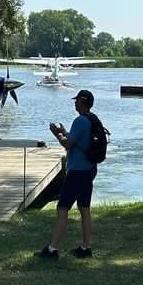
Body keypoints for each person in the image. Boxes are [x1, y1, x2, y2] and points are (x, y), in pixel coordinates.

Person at [37, 89, 99, 258]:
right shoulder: (92, 119)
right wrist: (65, 132)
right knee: (84, 208)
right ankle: (86, 248)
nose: (74, 103)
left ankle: (52, 249)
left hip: (77, 171)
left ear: (82, 102)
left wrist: (57, 135)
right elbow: (78, 139)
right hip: (90, 169)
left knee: (62, 208)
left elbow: (69, 145)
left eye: (76, 100)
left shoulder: (80, 121)